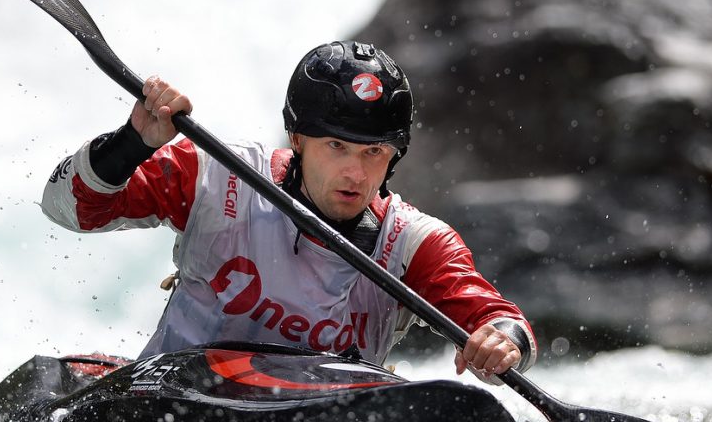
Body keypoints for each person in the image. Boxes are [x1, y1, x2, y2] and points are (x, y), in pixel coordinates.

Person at [41, 40, 536, 382]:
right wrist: (133, 143)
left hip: (316, 420)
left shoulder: (416, 243)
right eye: (337, 147)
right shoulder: (218, 175)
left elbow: (499, 318)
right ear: (297, 139)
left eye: (374, 154)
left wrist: (500, 341)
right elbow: (66, 209)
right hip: (178, 391)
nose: (356, 175)